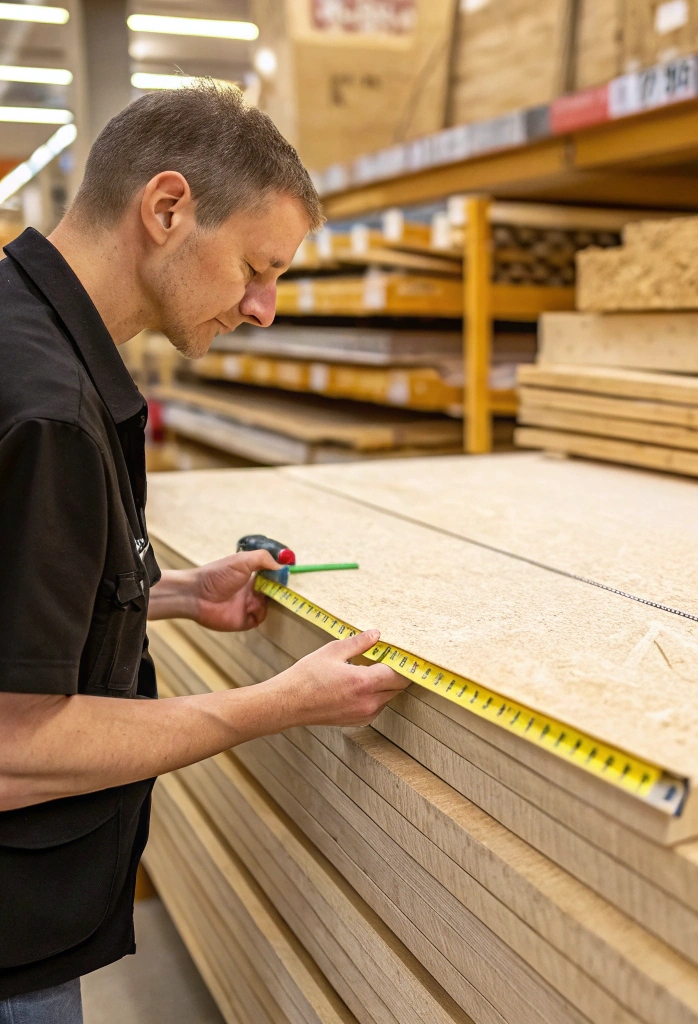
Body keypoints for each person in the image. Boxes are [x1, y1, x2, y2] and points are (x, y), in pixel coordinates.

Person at [0, 83, 407, 1022]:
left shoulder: (22, 328)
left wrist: (179, 592)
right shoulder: (49, 410)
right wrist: (276, 704)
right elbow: (13, 745)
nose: (263, 308)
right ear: (168, 208)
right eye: (256, 268)